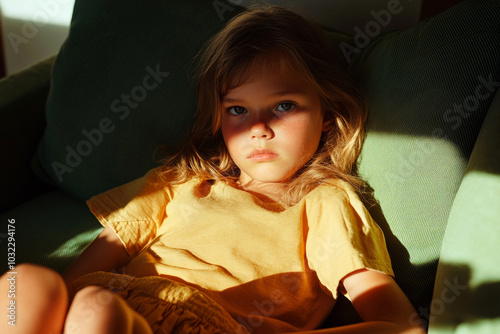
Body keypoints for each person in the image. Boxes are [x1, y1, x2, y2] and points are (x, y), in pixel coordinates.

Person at [0, 6, 425, 334]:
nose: (258, 129)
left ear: (328, 115)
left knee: (98, 311)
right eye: (238, 110)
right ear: (218, 119)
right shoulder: (181, 180)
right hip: (113, 302)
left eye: (283, 106)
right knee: (27, 283)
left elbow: (398, 324)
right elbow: (86, 272)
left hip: (203, 322)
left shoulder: (323, 202)